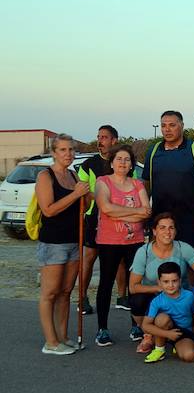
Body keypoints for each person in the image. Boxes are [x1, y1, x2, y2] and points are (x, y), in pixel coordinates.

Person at [35, 133, 90, 355]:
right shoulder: (45, 176)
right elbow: (48, 210)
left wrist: (86, 195)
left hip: (74, 240)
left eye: (71, 150)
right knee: (50, 292)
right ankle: (50, 341)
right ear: (54, 153)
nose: (68, 154)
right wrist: (75, 194)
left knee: (66, 291)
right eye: (63, 150)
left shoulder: (74, 175)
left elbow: (83, 207)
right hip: (53, 242)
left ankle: (63, 336)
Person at [93, 144, 151, 346]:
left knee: (133, 284)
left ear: (132, 164)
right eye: (119, 159)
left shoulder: (137, 184)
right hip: (109, 241)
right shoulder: (103, 182)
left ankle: (136, 324)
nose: (123, 163)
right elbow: (105, 207)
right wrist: (134, 213)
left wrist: (120, 212)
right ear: (112, 162)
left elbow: (146, 211)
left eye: (127, 159)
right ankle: (102, 328)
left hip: (134, 241)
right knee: (106, 284)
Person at [129, 213, 194, 353]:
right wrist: (157, 288)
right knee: (136, 300)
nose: (167, 232)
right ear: (154, 231)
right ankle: (148, 335)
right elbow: (133, 286)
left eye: (171, 228)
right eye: (162, 227)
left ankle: (178, 334)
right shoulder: (143, 252)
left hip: (180, 295)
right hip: (155, 295)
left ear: (175, 231)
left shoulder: (184, 248)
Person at [142, 110, 194, 253]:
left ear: (182, 125)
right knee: (161, 262)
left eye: (172, 125)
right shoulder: (153, 151)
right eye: (163, 125)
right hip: (161, 219)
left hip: (190, 219)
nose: (167, 129)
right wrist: (146, 216)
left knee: (191, 261)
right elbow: (146, 185)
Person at [76, 124, 126, 315]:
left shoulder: (124, 162)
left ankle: (122, 296)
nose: (100, 141)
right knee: (89, 258)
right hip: (94, 219)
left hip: (119, 219)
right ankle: (82, 298)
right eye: (98, 137)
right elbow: (81, 191)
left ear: (114, 140)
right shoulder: (89, 165)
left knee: (120, 259)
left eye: (104, 137)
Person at [140, 262, 194, 363]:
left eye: (174, 281)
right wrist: (167, 334)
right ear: (159, 282)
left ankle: (176, 345)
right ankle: (159, 349)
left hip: (185, 331)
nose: (171, 285)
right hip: (167, 328)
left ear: (180, 281)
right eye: (166, 281)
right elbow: (145, 325)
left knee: (190, 356)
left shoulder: (190, 296)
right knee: (161, 318)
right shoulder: (156, 301)